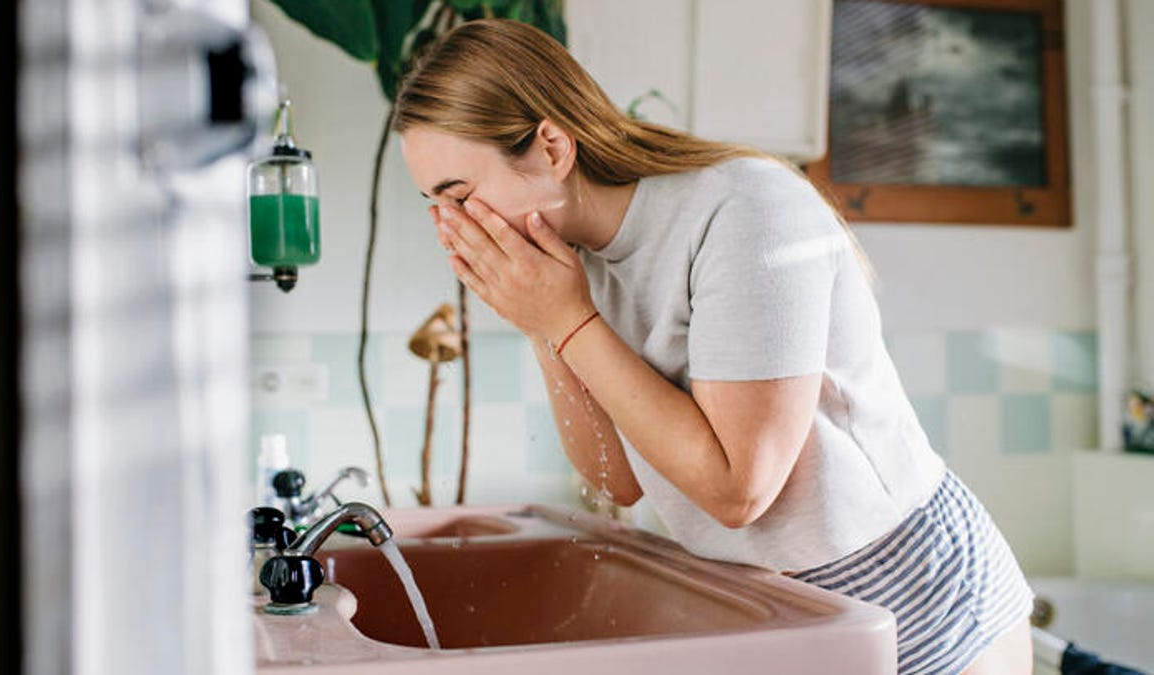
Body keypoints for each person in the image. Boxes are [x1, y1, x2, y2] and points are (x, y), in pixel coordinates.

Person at [391, 18, 1034, 674]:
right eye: (434, 206)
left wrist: (567, 318)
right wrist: (543, 322)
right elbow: (614, 475)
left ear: (553, 147)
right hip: (788, 611)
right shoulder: (581, 265)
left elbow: (739, 489)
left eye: (461, 196)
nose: (450, 227)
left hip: (922, 603)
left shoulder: (745, 210)